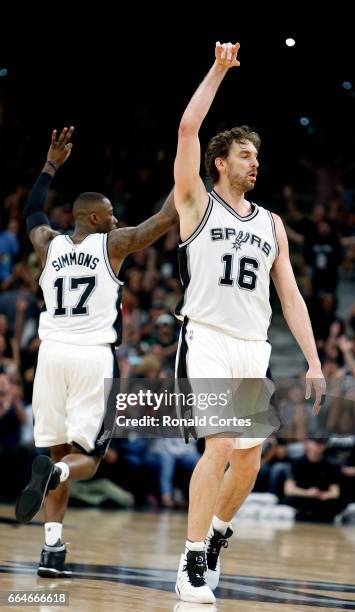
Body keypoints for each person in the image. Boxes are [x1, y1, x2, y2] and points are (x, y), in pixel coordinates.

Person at [173, 41, 326, 604]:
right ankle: (190, 564)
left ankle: (215, 536)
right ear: (220, 162)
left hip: (253, 347)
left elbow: (289, 294)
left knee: (250, 456)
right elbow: (189, 129)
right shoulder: (195, 202)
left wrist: (312, 359)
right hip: (207, 339)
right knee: (218, 446)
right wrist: (216, 69)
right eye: (243, 154)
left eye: (256, 156)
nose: (254, 162)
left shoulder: (272, 224)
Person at [15, 127, 178, 577]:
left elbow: (31, 209)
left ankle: (52, 551)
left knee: (54, 451)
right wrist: (190, 177)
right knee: (85, 459)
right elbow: (163, 219)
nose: (115, 219)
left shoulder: (47, 244)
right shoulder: (114, 245)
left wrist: (50, 165)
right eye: (108, 215)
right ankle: (58, 478)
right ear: (90, 218)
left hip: (50, 357)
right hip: (92, 358)